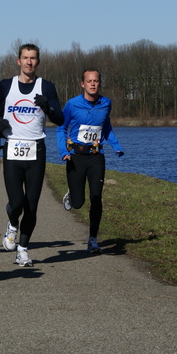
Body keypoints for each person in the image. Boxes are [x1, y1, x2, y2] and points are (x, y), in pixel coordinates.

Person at [0, 44, 64, 266]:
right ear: (18, 61)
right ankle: (12, 222)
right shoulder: (5, 86)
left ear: (38, 62)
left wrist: (48, 107)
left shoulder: (46, 87)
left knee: (31, 204)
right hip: (12, 149)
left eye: (33, 58)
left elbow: (60, 119)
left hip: (36, 150)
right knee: (17, 202)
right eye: (25, 58)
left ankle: (23, 249)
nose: (29, 62)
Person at [56, 69, 124, 253]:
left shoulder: (106, 103)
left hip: (96, 156)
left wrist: (116, 145)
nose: (93, 84)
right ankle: (72, 193)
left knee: (96, 197)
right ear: (82, 84)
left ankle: (93, 239)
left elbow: (106, 127)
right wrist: (63, 151)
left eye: (96, 81)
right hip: (75, 157)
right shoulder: (72, 104)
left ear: (100, 83)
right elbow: (61, 128)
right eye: (89, 81)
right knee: (78, 203)